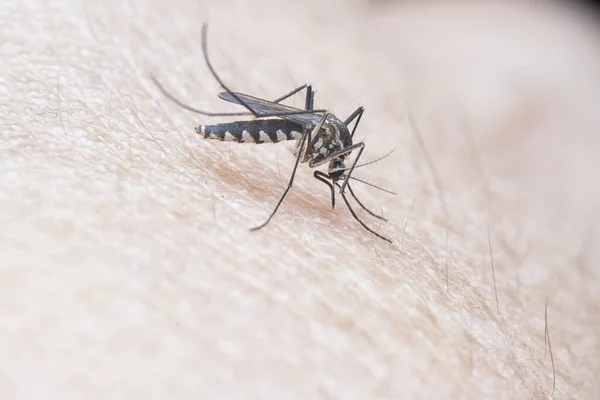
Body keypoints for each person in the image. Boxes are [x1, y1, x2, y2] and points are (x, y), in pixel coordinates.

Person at [2, 0, 598, 398]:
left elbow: (343, 143)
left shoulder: (343, 144)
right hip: (286, 122)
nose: (338, 172)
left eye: (339, 168)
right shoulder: (321, 140)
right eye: (339, 169)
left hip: (312, 127)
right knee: (312, 119)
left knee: (331, 120)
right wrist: (297, 167)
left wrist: (344, 178)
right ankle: (215, 114)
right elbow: (316, 133)